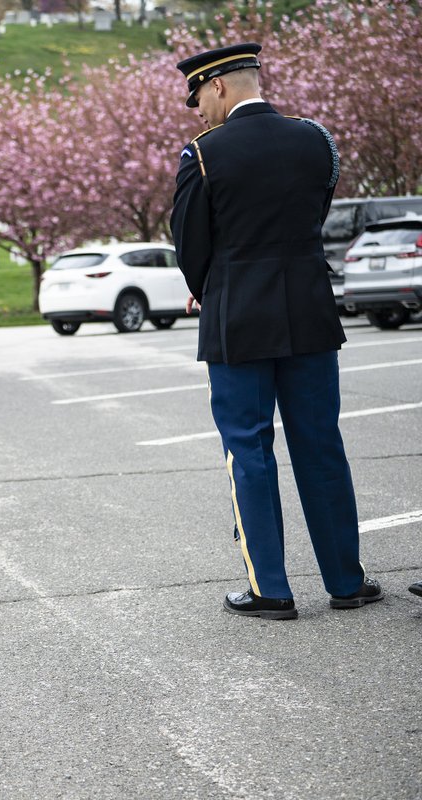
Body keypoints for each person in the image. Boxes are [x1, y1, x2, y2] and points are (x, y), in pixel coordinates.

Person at [170, 44, 381, 620]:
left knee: (249, 450)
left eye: (199, 99)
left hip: (237, 318)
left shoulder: (203, 154)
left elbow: (191, 245)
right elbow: (314, 215)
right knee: (321, 445)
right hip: (309, 310)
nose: (198, 113)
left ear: (216, 88)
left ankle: (271, 588)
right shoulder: (316, 140)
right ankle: (346, 581)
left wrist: (208, 283)